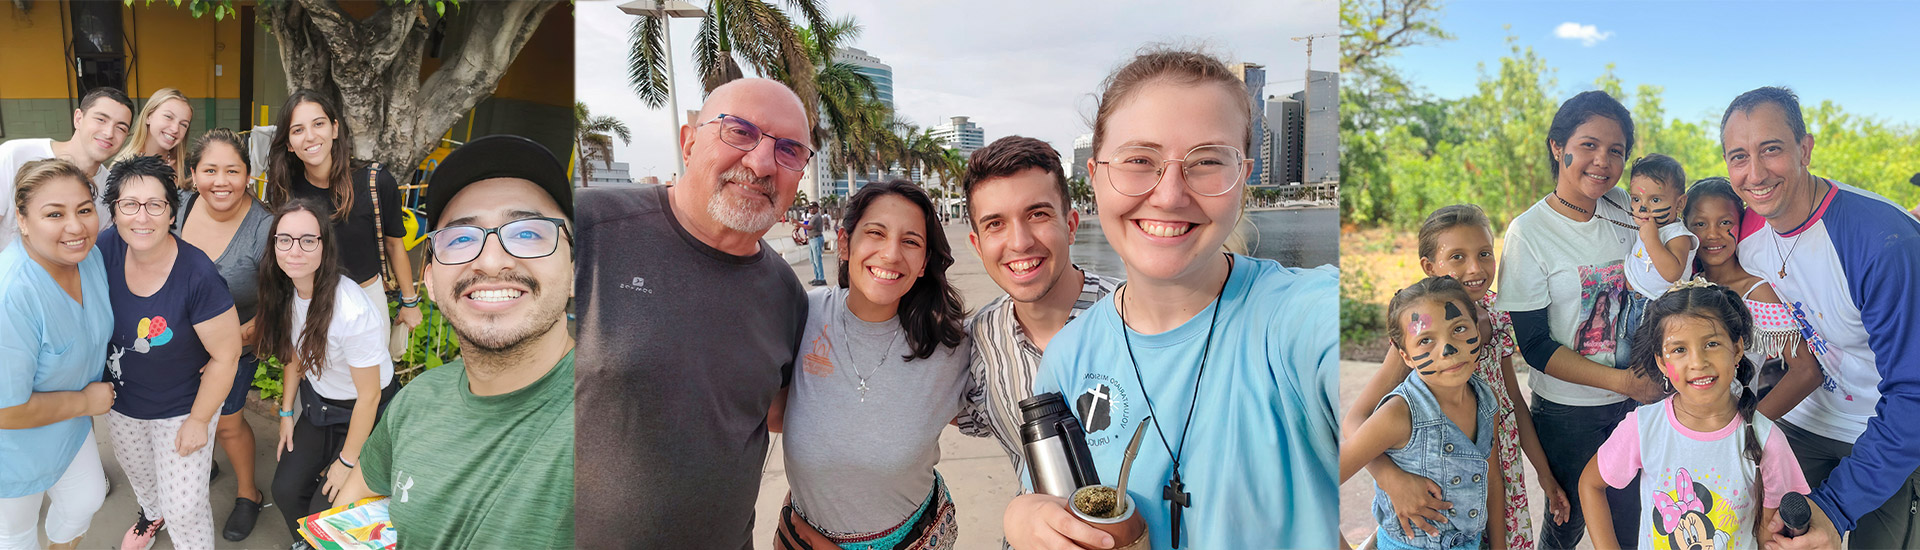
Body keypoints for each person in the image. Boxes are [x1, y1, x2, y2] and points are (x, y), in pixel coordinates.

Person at [1003, 45, 1340, 550]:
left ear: (1243, 177)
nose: (1169, 194)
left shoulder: (1299, 315)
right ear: (1095, 178)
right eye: (1140, 160)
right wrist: (1027, 516)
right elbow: (1062, 506)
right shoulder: (1071, 356)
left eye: (1207, 162)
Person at [574, 77, 814, 549]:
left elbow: (775, 416)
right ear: (688, 142)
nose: (761, 162)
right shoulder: (587, 229)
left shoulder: (786, 293)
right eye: (740, 132)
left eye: (788, 150)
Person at [333, 135, 576, 548]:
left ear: (577, 269)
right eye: (461, 239)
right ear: (429, 279)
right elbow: (354, 501)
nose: (492, 260)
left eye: (528, 233)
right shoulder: (415, 401)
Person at [1713, 87, 1920, 550]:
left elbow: (1914, 391)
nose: (1756, 173)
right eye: (1739, 157)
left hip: (1887, 429)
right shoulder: (1743, 230)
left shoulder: (1882, 243)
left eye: (1772, 149)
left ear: (1805, 149)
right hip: (1806, 420)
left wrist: (1835, 508)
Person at [1494, 89, 1662, 549]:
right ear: (1557, 146)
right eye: (1588, 144)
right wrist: (1624, 382)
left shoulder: (1629, 210)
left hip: (1635, 406)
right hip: (1567, 414)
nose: (1601, 161)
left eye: (1615, 151)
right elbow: (1534, 345)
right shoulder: (1529, 232)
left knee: (1631, 519)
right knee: (1567, 522)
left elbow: (1675, 254)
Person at [1344, 205, 1567, 550]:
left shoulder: (1498, 314)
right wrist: (1392, 479)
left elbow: (1513, 404)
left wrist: (1544, 474)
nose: (1475, 268)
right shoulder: (1420, 333)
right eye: (1458, 257)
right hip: (1435, 484)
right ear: (1430, 268)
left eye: (1484, 254)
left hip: (1497, 467)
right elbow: (1357, 420)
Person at [770, 178, 978, 549]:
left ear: (923, 263)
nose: (891, 254)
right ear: (846, 243)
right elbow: (769, 412)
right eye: (876, 233)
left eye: (910, 241)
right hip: (802, 537)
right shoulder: (802, 314)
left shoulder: (950, 346)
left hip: (913, 538)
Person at [1578, 281, 1812, 550]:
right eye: (1679, 349)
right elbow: (1591, 484)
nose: (1698, 362)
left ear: (1737, 349)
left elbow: (1769, 537)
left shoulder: (1767, 440)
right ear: (1662, 363)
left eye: (1711, 343)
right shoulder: (1644, 428)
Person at [95, 154, 241, 550]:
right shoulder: (105, 248)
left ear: (172, 213)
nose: (142, 217)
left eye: (155, 205)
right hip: (121, 402)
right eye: (129, 205)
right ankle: (150, 514)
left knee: (185, 506)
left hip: (181, 408)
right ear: (114, 212)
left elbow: (227, 355)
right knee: (142, 479)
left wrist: (199, 419)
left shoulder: (198, 275)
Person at [959, 135, 1121, 488]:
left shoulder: (1133, 314)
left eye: (1037, 214)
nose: (1019, 242)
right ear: (977, 245)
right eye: (995, 224)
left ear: (1071, 225)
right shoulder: (977, 342)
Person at [254, 199, 398, 539]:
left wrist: (347, 462)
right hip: (321, 405)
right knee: (286, 491)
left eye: (308, 240)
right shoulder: (288, 289)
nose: (295, 250)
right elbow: (295, 354)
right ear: (274, 243)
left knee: (327, 512)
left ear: (324, 245)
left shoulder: (351, 311)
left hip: (367, 411)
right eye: (284, 239)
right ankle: (305, 544)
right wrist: (287, 411)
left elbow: (370, 395)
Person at [0, 159, 114, 550]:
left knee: (86, 499)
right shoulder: (12, 295)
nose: (76, 226)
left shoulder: (89, 259)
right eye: (54, 213)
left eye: (84, 209)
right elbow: (5, 410)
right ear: (23, 220)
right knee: (16, 536)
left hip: (69, 426)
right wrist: (86, 400)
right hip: (12, 448)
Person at [1342, 276, 1503, 550]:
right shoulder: (1399, 414)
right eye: (1426, 340)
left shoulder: (1487, 400)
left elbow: (1492, 479)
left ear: (1477, 328)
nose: (1448, 349)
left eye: (1459, 328)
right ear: (1405, 355)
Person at [174, 128, 276, 541]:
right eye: (210, 170)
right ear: (193, 174)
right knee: (192, 415)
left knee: (229, 421)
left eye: (232, 170)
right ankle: (207, 463)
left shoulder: (265, 228)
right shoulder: (178, 207)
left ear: (248, 175)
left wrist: (223, 349)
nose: (221, 181)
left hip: (240, 342)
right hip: (180, 343)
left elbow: (276, 307)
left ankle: (249, 493)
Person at [263, 90, 422, 341]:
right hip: (309, 299)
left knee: (370, 378)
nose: (311, 136)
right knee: (316, 377)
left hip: (366, 296)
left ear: (335, 129)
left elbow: (394, 244)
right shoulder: (286, 190)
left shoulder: (375, 182)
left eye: (319, 124)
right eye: (298, 130)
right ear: (289, 144)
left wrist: (410, 302)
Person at [1681, 178, 1820, 418]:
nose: (1712, 234)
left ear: (1741, 224)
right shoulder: (1685, 285)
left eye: (1725, 222)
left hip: (1728, 425)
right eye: (1700, 224)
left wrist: (1749, 428)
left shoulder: (1756, 292)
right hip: (1677, 422)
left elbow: (1807, 371)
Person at [1, 87, 135, 252]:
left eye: (121, 128)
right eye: (101, 119)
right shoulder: (14, 155)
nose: (108, 133)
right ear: (78, 118)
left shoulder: (111, 188)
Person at [112, 88, 193, 189]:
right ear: (148, 116)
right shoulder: (124, 166)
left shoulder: (190, 166)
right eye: (168, 117)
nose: (175, 129)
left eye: (183, 124)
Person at [803, 203, 829, 286]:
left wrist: (798, 224)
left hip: (816, 239)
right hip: (812, 239)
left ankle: (821, 278)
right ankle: (817, 277)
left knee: (817, 260)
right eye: (809, 208)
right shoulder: (813, 217)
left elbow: (809, 227)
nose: (810, 210)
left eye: (812, 208)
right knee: (812, 259)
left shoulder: (816, 217)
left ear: (816, 208)